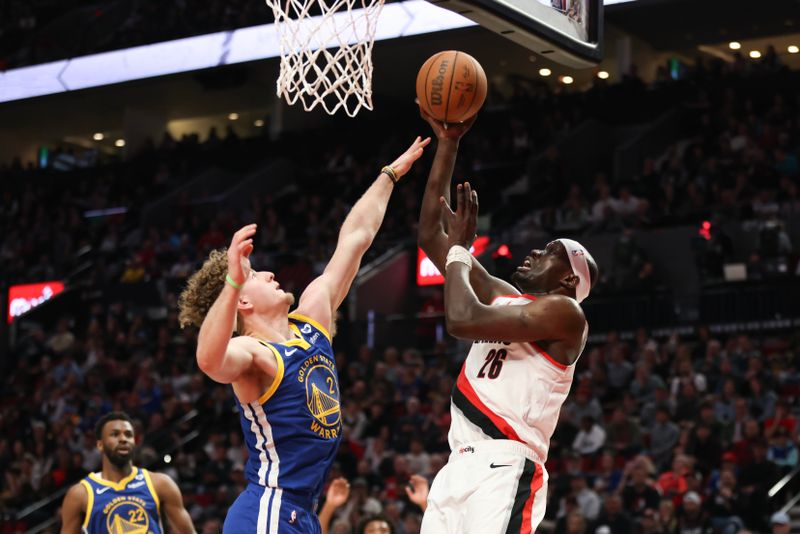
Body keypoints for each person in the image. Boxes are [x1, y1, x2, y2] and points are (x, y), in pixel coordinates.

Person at [177, 136, 430, 533]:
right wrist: (232, 280)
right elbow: (209, 361)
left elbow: (356, 238)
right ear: (242, 303)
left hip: (303, 512)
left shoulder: (312, 319)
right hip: (268, 507)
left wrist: (390, 175)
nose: (270, 274)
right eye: (257, 276)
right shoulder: (253, 352)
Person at [416, 110, 598, 534]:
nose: (534, 252)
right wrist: (448, 144)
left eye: (550, 250)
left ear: (568, 278)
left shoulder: (565, 313)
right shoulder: (508, 297)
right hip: (456, 466)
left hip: (505, 464)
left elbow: (462, 319)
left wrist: (461, 250)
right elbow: (429, 234)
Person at [60, 411, 194, 533]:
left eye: (128, 435)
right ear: (100, 445)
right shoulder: (80, 494)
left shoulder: (160, 483)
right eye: (115, 434)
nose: (123, 439)